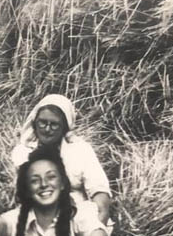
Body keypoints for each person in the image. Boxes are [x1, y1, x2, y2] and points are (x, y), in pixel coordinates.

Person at [11, 94, 112, 226]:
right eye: (42, 122)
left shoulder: (80, 150)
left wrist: (100, 219)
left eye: (54, 125)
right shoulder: (22, 152)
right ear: (35, 123)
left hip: (76, 215)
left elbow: (98, 189)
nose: (47, 129)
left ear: (64, 127)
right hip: (36, 214)